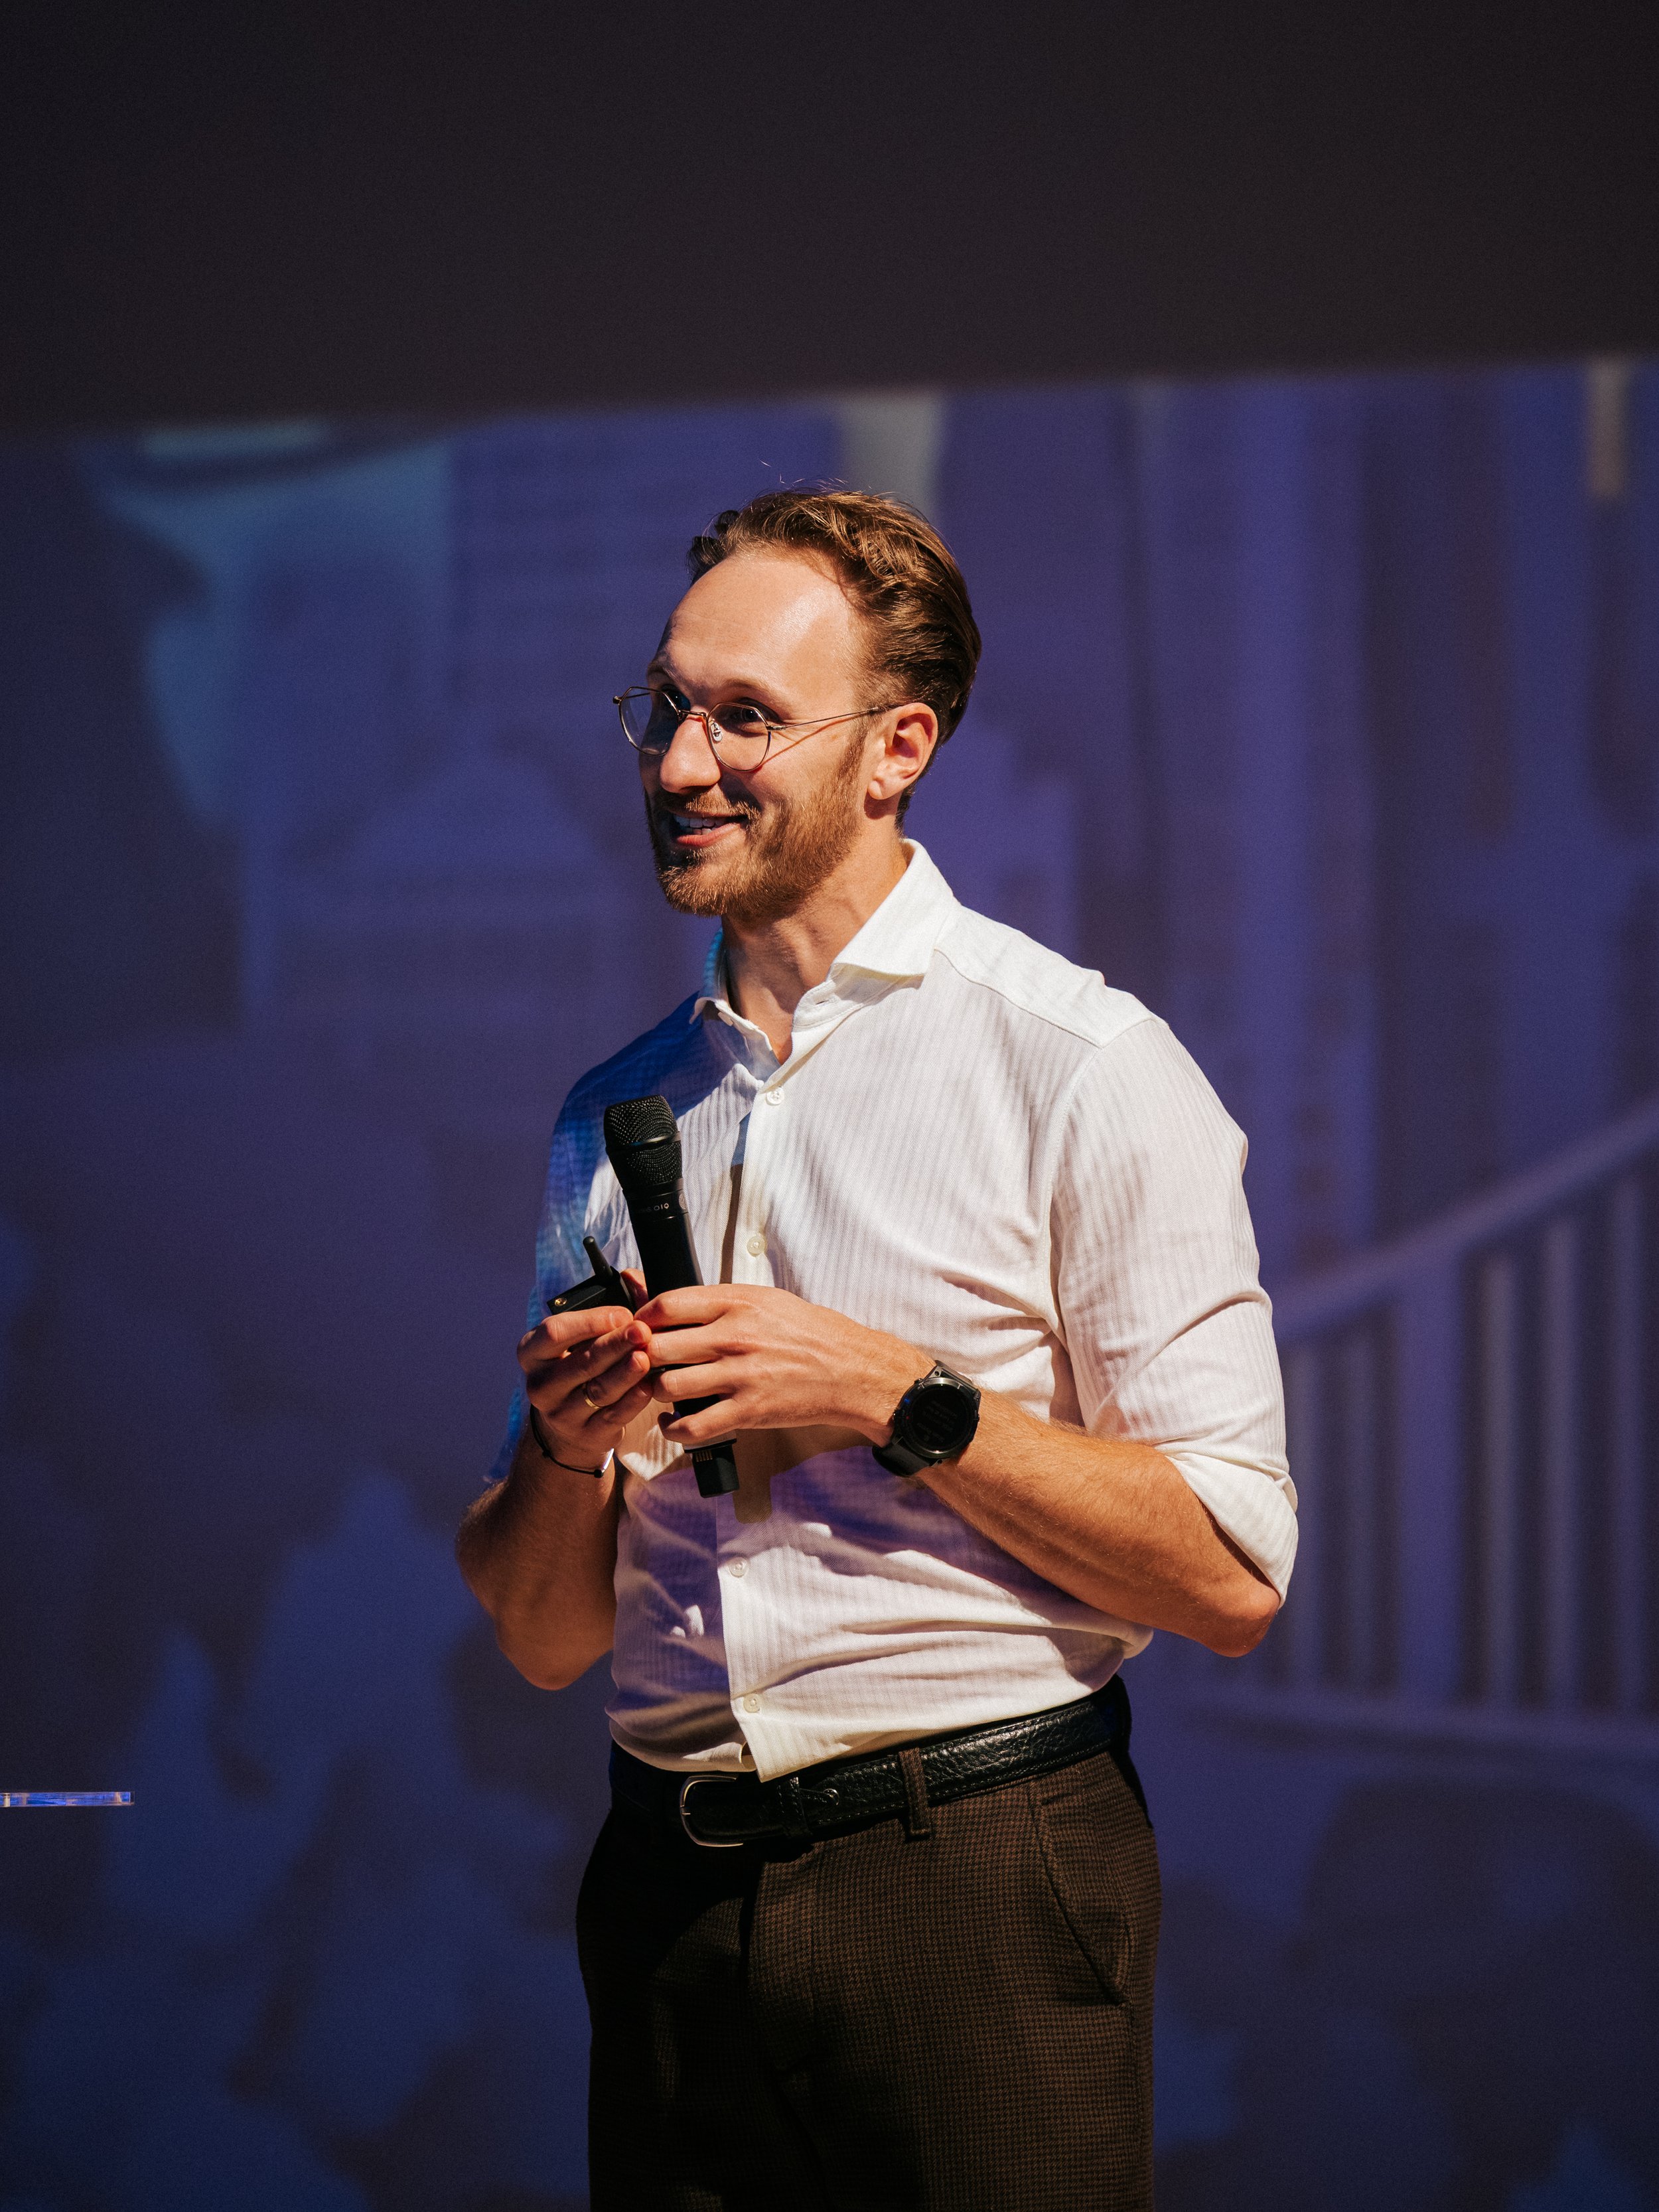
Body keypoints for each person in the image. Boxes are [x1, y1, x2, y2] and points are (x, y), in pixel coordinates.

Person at [457, 488, 1295, 2211]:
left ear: (896, 747)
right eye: (665, 708)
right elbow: (544, 1637)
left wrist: (885, 1397)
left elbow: (1225, 1573)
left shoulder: (1081, 1067)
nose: (681, 764)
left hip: (975, 1878)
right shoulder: (609, 1114)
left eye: (744, 717)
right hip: (667, 1882)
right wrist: (559, 1451)